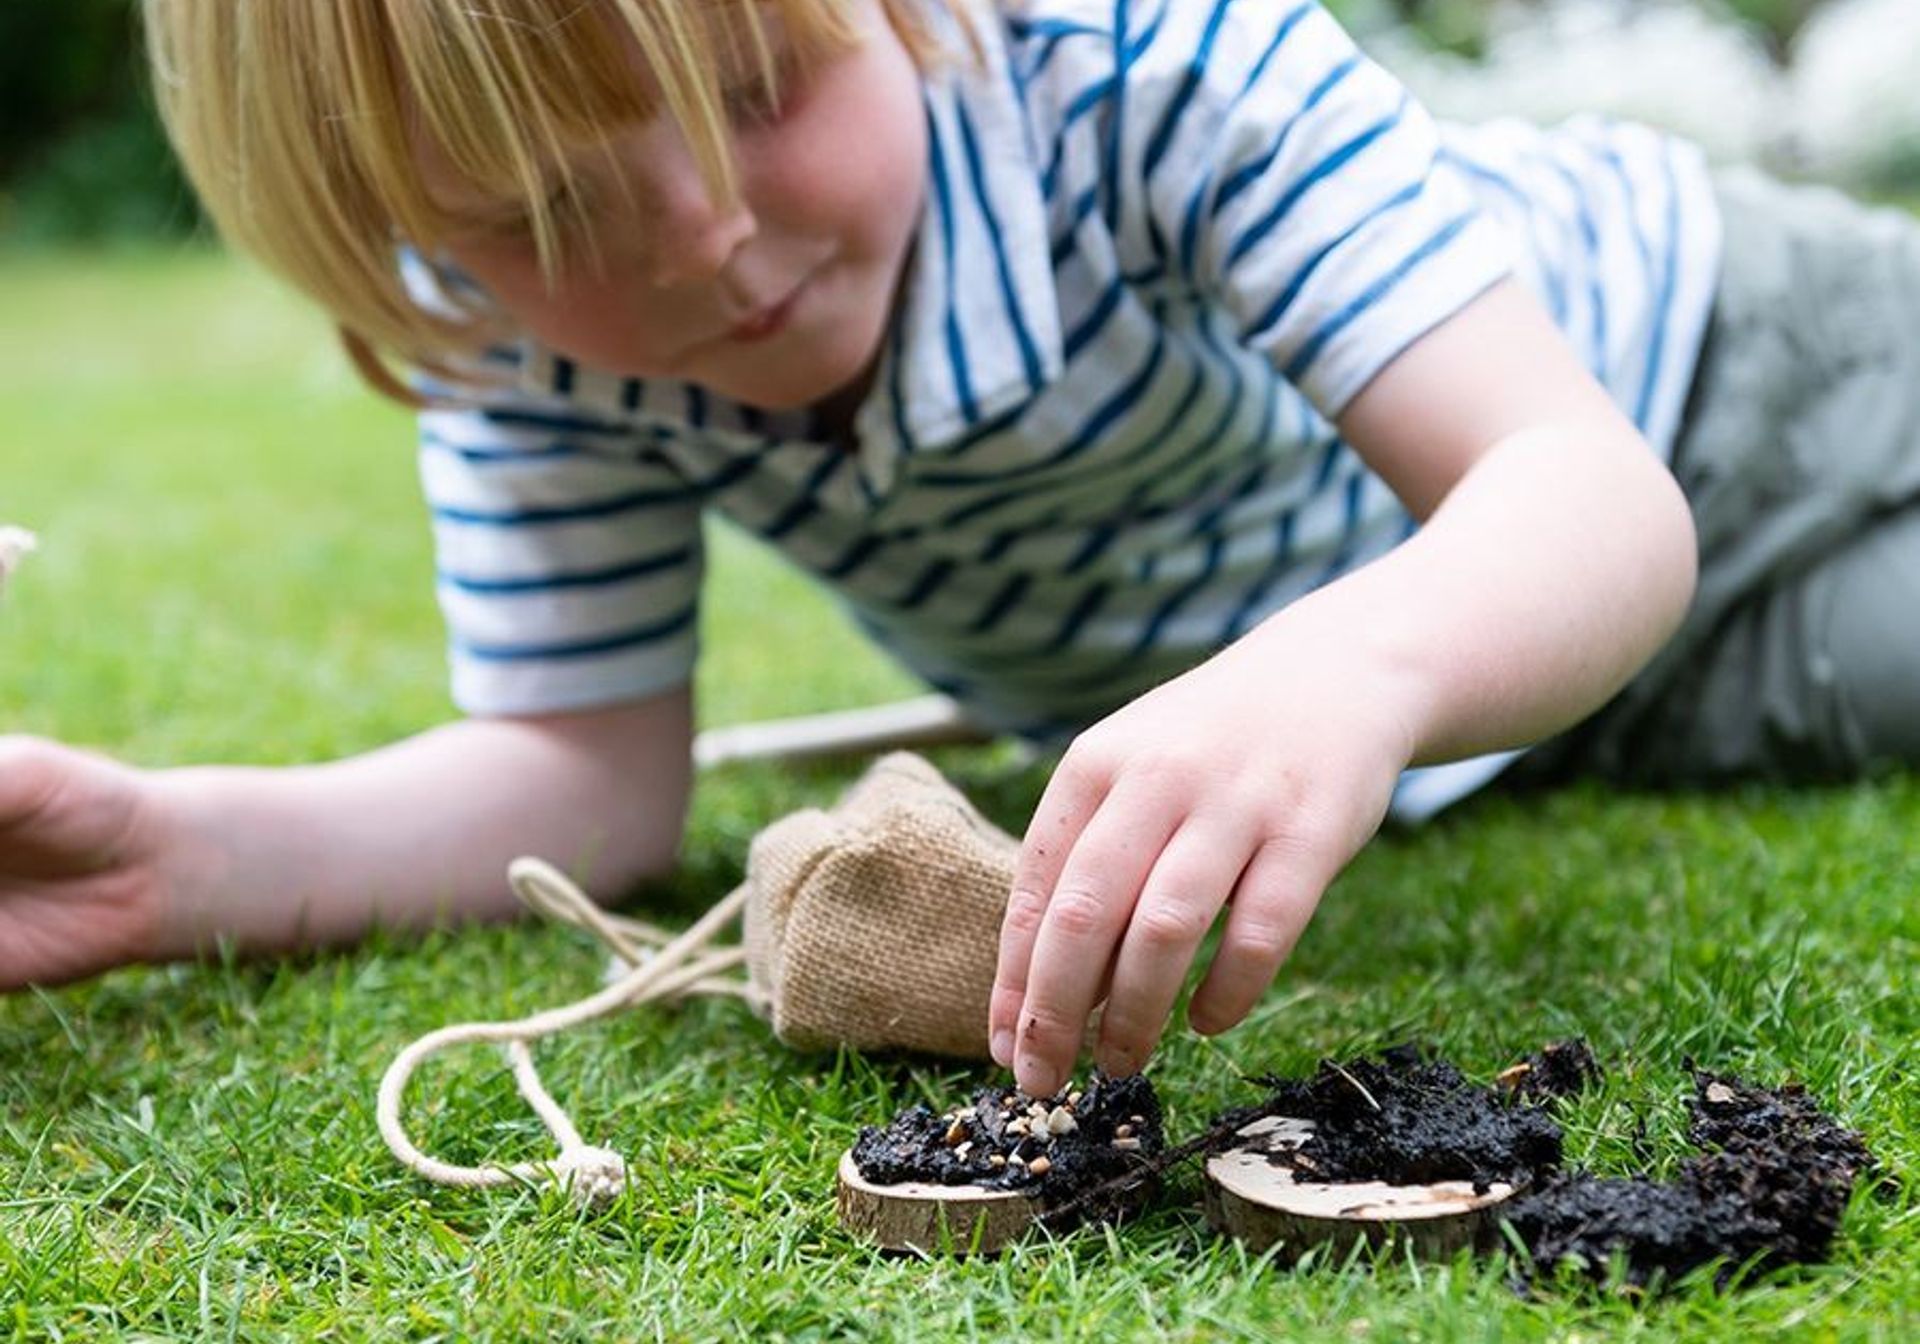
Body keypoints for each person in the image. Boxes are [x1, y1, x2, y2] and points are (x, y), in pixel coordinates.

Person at [4, 0, 1915, 1102]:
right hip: (1544, 707)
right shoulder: (524, 339)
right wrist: (181, 865)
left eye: (762, 89)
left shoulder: (1139, 67)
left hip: (1724, 380)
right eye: (551, 204)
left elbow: (1581, 490)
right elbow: (578, 776)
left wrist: (1348, 665)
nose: (704, 244)